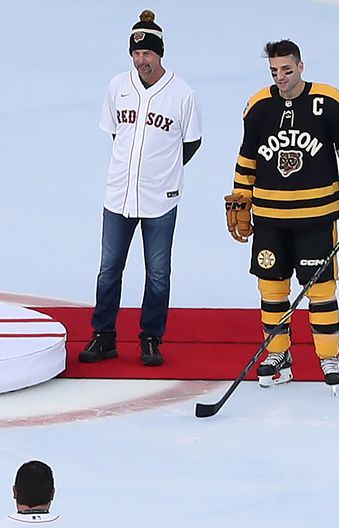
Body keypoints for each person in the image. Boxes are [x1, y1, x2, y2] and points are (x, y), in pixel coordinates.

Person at [227, 39, 339, 389]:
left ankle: (327, 356)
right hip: (269, 221)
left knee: (321, 291)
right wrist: (240, 199)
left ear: (301, 67)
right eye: (274, 71)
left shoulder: (329, 102)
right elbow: (246, 162)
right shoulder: (258, 106)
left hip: (316, 219)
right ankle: (280, 354)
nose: (280, 77)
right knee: (272, 290)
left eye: (287, 70)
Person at [80, 10, 202, 367]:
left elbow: (190, 143)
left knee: (158, 273)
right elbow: (117, 133)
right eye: (136, 54)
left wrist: (161, 171)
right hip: (118, 194)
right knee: (109, 269)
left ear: (160, 53)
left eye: (147, 54)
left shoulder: (183, 94)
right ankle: (104, 336)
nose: (141, 60)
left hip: (160, 199)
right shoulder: (118, 86)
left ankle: (151, 339)